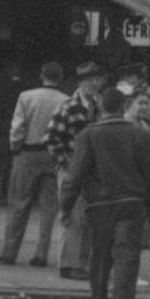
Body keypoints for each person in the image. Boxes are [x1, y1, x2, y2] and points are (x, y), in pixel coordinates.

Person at [59, 80, 150, 299]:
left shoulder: (88, 135)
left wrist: (66, 207)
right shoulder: (139, 135)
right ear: (123, 106)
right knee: (127, 258)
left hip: (99, 205)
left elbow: (75, 175)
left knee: (100, 258)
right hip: (131, 204)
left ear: (100, 106)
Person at [3, 60, 70, 266]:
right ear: (60, 78)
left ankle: (10, 251)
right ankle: (41, 253)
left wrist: (15, 146)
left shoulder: (26, 97)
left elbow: (18, 127)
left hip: (28, 152)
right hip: (53, 154)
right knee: (49, 207)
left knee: (19, 202)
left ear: (42, 75)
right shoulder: (66, 100)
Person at [46, 61, 106, 278]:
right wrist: (66, 164)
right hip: (72, 169)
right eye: (90, 80)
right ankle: (69, 265)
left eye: (97, 80)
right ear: (81, 82)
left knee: (87, 218)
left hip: (90, 171)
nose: (95, 84)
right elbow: (52, 138)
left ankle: (81, 263)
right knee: (72, 217)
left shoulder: (98, 107)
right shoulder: (69, 106)